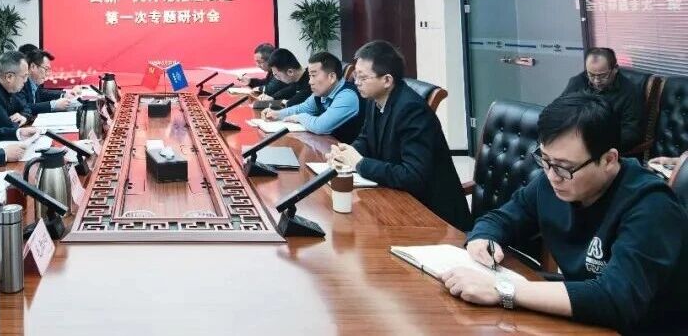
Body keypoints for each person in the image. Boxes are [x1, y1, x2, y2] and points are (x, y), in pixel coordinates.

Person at [443, 93, 688, 333]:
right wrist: (483, 237)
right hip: (584, 315)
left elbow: (616, 298)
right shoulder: (552, 181)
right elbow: (501, 218)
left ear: (609, 160)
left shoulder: (652, 206)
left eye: (564, 167)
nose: (552, 176)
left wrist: (503, 289)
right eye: (544, 160)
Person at [328, 40, 471, 231]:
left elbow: (412, 175)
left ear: (387, 80)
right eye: (355, 76)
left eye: (362, 78)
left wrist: (360, 163)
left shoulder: (412, 110)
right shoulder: (374, 98)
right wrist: (346, 153)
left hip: (432, 217)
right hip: (398, 200)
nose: (356, 83)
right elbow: (366, 138)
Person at [261, 52, 364, 142]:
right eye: (310, 76)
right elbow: (302, 108)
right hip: (328, 146)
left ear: (332, 77)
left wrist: (299, 117)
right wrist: (277, 114)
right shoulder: (322, 93)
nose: (310, 82)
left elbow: (320, 126)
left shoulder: (347, 96)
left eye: (314, 75)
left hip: (347, 154)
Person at [560, 47, 643, 151]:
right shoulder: (578, 82)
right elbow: (559, 110)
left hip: (607, 147)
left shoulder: (631, 91)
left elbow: (632, 132)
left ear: (615, 68)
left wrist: (599, 144)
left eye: (602, 76)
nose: (596, 81)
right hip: (574, 139)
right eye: (591, 75)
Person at [0, 51, 33, 129]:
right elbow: (8, 126)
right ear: (9, 77)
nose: (25, 81)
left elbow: (27, 107)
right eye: (24, 76)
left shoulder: (9, 88)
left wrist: (23, 116)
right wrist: (22, 120)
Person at [18, 49, 76, 115]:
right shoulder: (20, 83)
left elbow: (42, 93)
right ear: (33, 67)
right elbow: (24, 108)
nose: (47, 74)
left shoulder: (34, 82)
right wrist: (54, 105)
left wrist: (64, 94)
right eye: (46, 69)